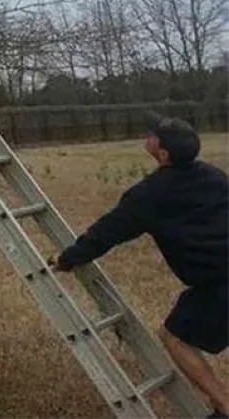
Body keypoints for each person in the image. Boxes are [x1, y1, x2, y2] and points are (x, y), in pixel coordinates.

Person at [50, 113, 229, 419]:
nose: (148, 134)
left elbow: (109, 231)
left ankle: (224, 407)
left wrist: (68, 258)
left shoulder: (151, 194)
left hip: (220, 283)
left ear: (163, 153)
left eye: (154, 135)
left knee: (175, 338)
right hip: (218, 280)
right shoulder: (214, 175)